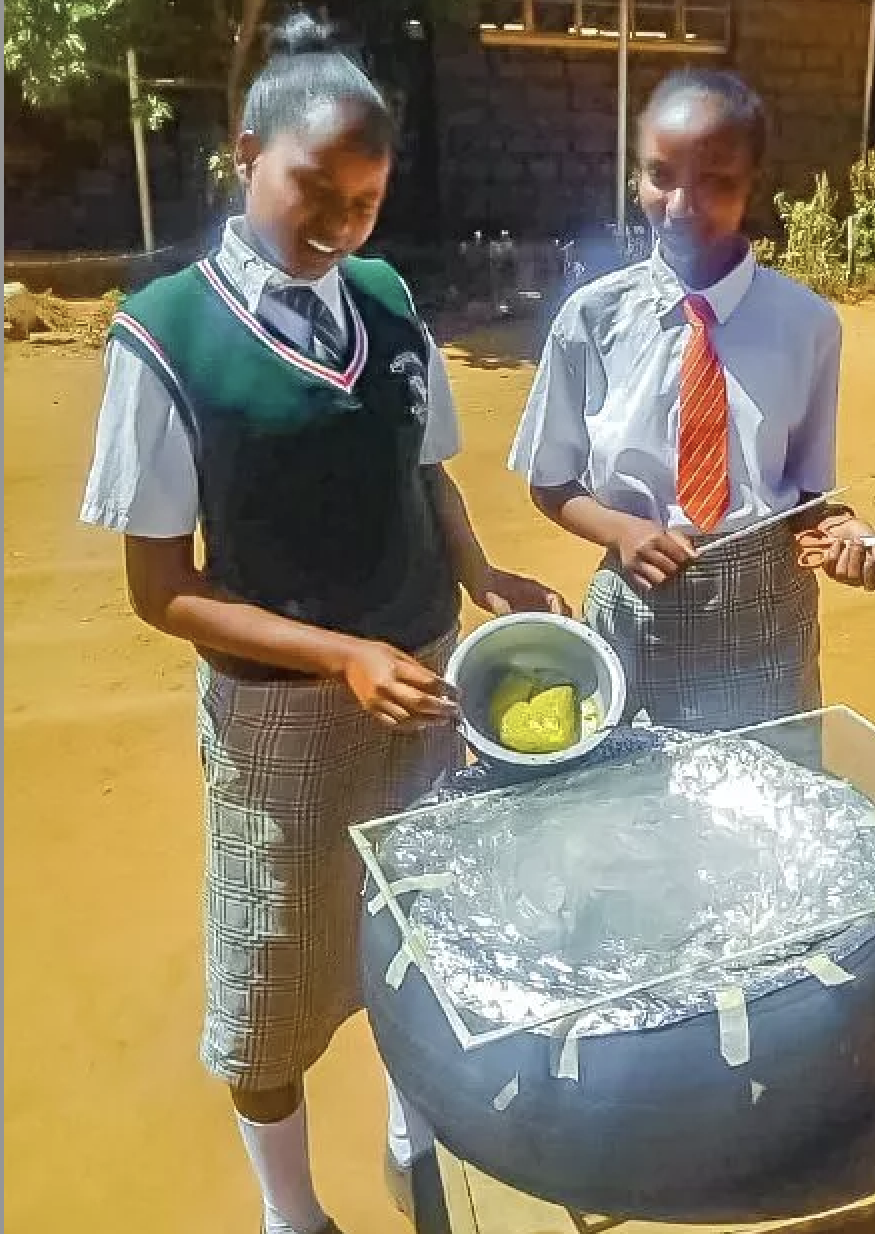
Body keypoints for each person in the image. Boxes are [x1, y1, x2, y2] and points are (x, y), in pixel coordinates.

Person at [79, 14, 567, 1233]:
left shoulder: (390, 302)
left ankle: (416, 1119)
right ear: (247, 154)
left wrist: (483, 573)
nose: (340, 225)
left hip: (424, 685)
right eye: (315, 189)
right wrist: (343, 653)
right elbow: (162, 590)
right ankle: (292, 1212)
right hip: (282, 722)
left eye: (365, 200)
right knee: (275, 976)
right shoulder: (166, 337)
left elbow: (427, 474)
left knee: (428, 920)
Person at [509, 68, 875, 733]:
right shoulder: (591, 319)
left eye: (715, 180)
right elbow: (551, 481)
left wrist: (837, 532)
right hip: (636, 614)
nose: (682, 205)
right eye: (661, 175)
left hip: (766, 627)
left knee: (762, 808)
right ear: (636, 176)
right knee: (634, 809)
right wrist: (622, 530)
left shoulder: (807, 324)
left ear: (753, 184)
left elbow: (804, 495)